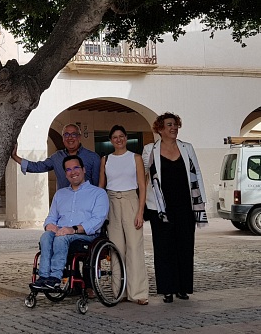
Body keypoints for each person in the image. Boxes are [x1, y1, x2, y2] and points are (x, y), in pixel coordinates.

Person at [142, 112, 208, 303]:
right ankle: (167, 289)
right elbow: (144, 176)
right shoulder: (150, 149)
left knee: (185, 247)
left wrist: (200, 203)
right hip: (160, 208)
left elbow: (197, 174)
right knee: (163, 249)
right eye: (169, 125)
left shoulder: (187, 148)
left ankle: (182, 288)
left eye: (176, 125)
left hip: (185, 206)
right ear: (160, 128)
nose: (174, 128)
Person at [31, 155, 109, 289]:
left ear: (84, 170)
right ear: (65, 174)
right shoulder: (60, 194)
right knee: (46, 236)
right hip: (61, 232)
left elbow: (97, 220)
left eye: (76, 168)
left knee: (62, 239)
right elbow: (51, 217)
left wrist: (73, 229)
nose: (73, 172)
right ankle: (43, 277)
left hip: (86, 236)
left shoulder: (98, 193)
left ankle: (55, 277)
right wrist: (50, 226)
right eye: (68, 170)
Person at [98, 125, 149, 305]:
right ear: (110, 140)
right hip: (112, 201)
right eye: (114, 137)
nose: (118, 139)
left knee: (134, 247)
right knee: (116, 248)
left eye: (121, 136)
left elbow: (142, 187)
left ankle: (139, 292)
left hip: (130, 200)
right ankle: (120, 291)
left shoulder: (135, 158)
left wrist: (140, 211)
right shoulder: (105, 159)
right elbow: (101, 187)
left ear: (126, 138)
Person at [11, 123, 101, 190]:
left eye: (74, 134)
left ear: (79, 137)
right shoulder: (57, 157)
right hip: (64, 203)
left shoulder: (93, 158)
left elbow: (97, 185)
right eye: (66, 135)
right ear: (63, 138)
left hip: (86, 204)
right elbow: (37, 167)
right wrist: (15, 156)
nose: (70, 138)